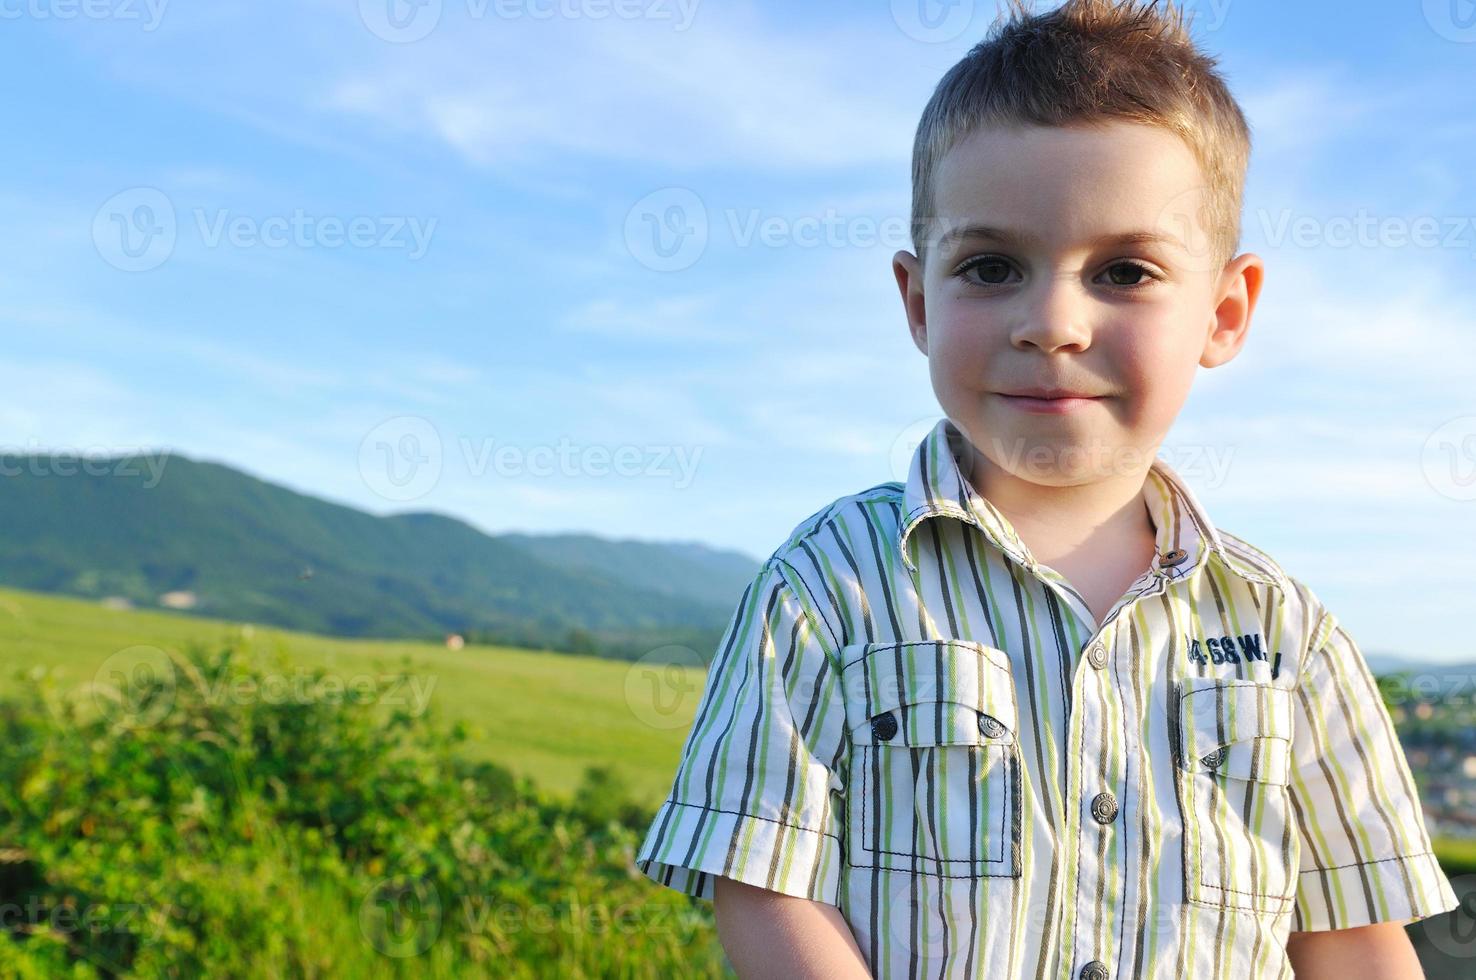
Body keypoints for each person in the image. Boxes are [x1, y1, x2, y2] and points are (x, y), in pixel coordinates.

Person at [633, 1, 1460, 977]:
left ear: (1225, 311)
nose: (1053, 321)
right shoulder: (828, 586)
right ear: (917, 300)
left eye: (1123, 269)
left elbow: (1354, 937)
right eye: (991, 266)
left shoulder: (1288, 631)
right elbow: (765, 885)